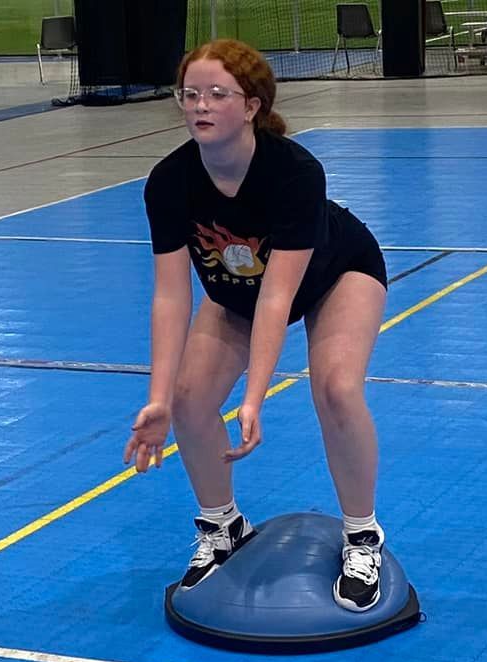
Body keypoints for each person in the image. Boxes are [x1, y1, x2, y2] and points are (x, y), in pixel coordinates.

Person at [123, 39, 389, 612]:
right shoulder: (168, 182)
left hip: (337, 274)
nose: (201, 105)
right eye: (190, 94)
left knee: (337, 389)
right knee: (191, 398)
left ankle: (362, 535)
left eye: (218, 94)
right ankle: (222, 527)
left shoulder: (293, 172)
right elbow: (171, 296)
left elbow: (279, 297)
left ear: (251, 106)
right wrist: (158, 399)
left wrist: (254, 396)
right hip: (237, 292)